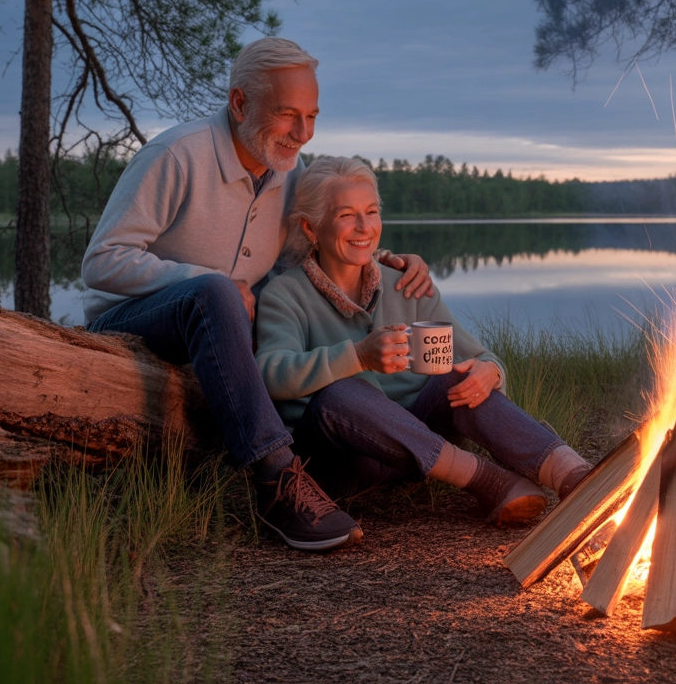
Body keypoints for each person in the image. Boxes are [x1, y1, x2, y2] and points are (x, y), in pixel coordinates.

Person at [81, 39, 433, 552]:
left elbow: (308, 256)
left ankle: (339, 457)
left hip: (222, 333)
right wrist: (209, 281)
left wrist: (385, 259)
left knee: (252, 307)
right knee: (215, 292)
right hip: (132, 322)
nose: (302, 132)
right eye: (287, 114)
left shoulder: (289, 172)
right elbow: (101, 261)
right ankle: (275, 479)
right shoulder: (177, 156)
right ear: (240, 103)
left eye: (311, 115)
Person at [256, 157, 593, 526]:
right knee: (341, 394)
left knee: (456, 377)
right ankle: (488, 480)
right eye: (345, 215)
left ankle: (573, 475)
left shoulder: (407, 283)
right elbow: (271, 373)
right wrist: (358, 357)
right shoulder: (285, 294)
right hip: (343, 461)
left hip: (421, 453)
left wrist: (489, 372)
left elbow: (479, 355)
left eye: (371, 212)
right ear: (310, 227)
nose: (364, 227)